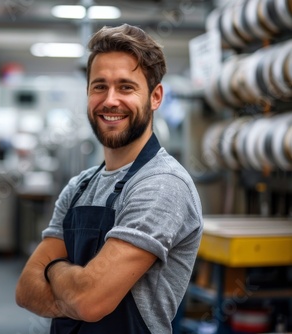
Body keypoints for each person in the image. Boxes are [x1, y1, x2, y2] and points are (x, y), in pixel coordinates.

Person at [15, 23, 203, 333]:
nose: (110, 100)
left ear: (155, 97)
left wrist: (55, 269)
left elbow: (90, 302)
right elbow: (25, 290)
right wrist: (75, 297)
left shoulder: (161, 185)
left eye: (126, 87)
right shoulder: (79, 187)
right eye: (99, 86)